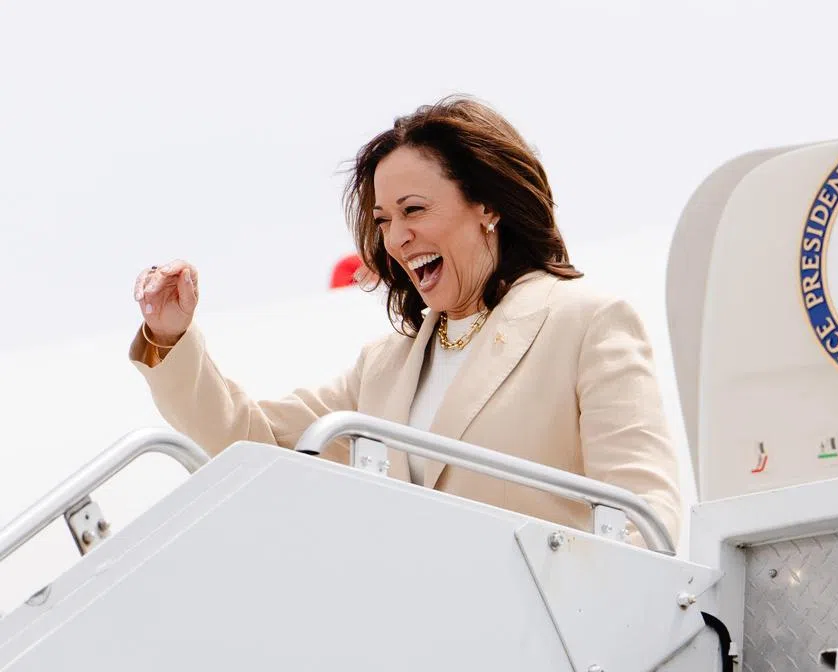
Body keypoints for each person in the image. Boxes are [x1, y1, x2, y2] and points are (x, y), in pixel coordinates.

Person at [129, 96, 682, 542]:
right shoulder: (384, 367)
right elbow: (253, 440)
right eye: (384, 219)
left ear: (488, 205)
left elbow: (647, 518)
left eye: (413, 210)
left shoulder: (587, 323)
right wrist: (170, 336)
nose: (396, 237)